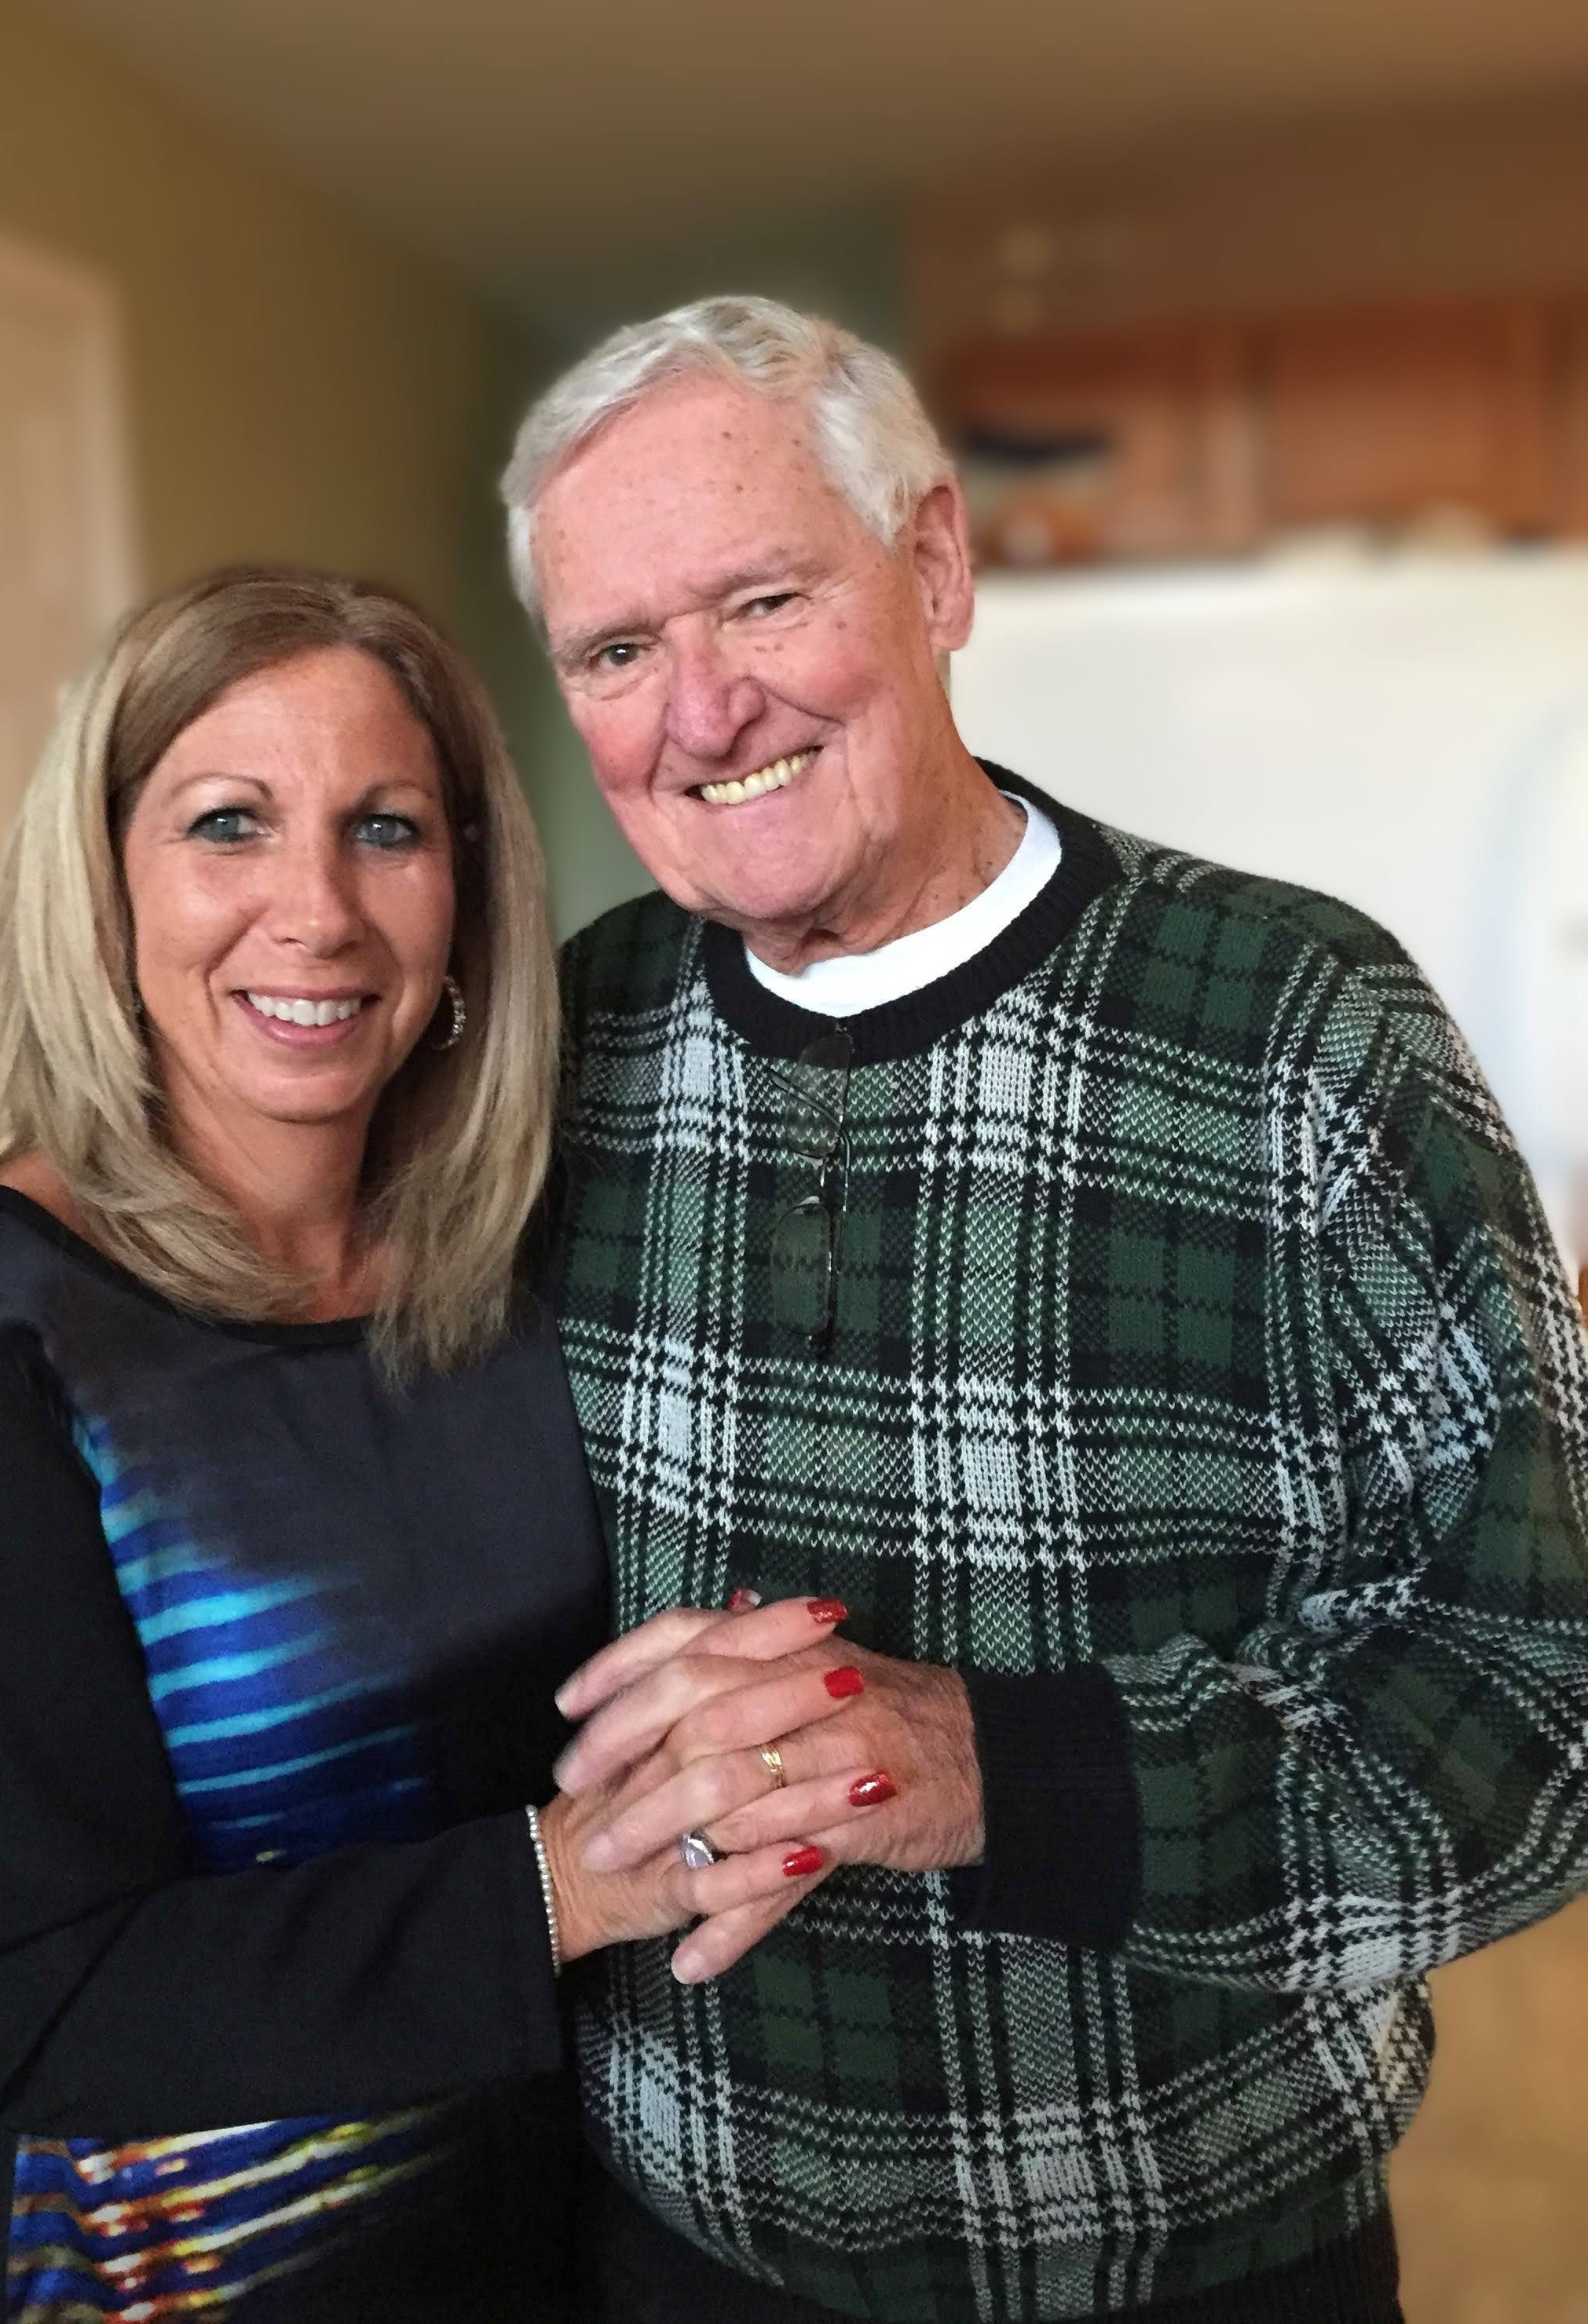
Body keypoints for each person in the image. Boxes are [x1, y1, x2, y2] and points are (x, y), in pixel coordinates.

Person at [499, 300, 1588, 2323]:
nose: (702, 711)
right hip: (670, 2250)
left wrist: (1002, 1768)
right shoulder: (563, 1046)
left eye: (760, 600)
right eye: (619, 651)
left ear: (933, 569)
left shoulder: (1301, 1036)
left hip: (1191, 2264)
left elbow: (1545, 1700)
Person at [0, 568, 826, 2324]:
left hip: (538, 2242)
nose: (315, 912)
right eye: (228, 824)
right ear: (103, 889)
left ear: (465, 895)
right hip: (154, 2284)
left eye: (387, 829)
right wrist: (559, 1883)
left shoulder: (499, 1282)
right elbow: (11, 2001)